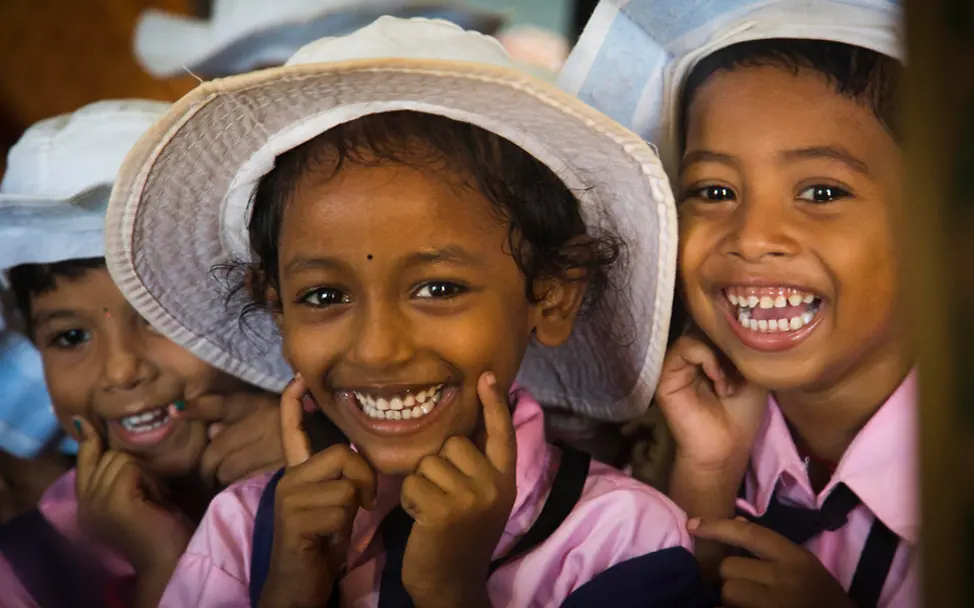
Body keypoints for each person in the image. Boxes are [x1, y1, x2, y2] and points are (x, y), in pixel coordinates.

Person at [105, 16, 710, 607]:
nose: (377, 349)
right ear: (277, 307)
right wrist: (290, 589)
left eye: (439, 289)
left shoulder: (620, 542)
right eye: (324, 296)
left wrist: (451, 591)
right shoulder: (243, 533)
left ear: (552, 293)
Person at [562, 1, 914, 606]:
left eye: (822, 192)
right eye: (714, 191)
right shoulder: (664, 439)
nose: (752, 237)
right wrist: (707, 478)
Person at [0, 99, 286, 608]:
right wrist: (163, 567)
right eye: (69, 337)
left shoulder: (342, 475)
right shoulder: (24, 569)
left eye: (159, 317)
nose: (121, 370)